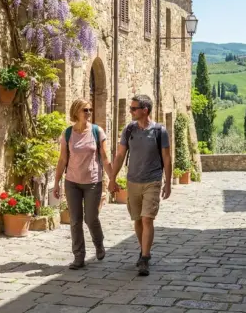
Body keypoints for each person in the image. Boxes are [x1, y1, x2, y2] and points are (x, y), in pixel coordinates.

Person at [111, 94, 172, 276]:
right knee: (137, 219)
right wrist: (112, 178)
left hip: (153, 180)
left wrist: (168, 183)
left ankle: (145, 257)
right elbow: (120, 155)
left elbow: (167, 158)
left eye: (133, 108)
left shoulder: (159, 131)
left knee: (147, 219)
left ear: (145, 110)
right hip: (133, 181)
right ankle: (143, 249)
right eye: (130, 108)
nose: (130, 111)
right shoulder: (129, 130)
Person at [53, 99, 114, 270]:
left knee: (91, 218)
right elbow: (62, 160)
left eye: (90, 110)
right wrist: (56, 182)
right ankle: (79, 256)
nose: (88, 113)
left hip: (93, 182)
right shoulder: (68, 134)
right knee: (75, 220)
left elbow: (105, 158)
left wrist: (113, 179)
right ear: (76, 112)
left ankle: (99, 243)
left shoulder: (97, 131)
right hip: (72, 182)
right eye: (85, 110)